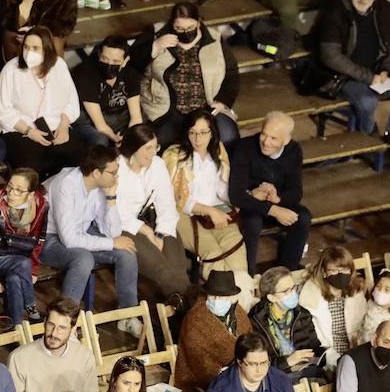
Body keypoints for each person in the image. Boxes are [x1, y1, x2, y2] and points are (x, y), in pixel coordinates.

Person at [311, 0, 390, 142]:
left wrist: (387, 69)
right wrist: (368, 78)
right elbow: (330, 55)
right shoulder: (336, 13)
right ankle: (367, 137)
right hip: (344, 76)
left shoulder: (385, 9)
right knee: (367, 102)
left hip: (377, 70)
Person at [41, 144, 139, 325]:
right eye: (112, 172)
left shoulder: (101, 185)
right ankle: (64, 322)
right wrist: (111, 243)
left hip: (79, 232)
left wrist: (111, 198)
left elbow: (113, 232)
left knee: (127, 252)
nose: (117, 176)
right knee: (83, 258)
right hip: (46, 238)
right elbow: (69, 240)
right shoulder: (66, 185)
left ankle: (128, 317)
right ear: (96, 173)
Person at [142, 2, 240, 147]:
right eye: (179, 28)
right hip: (168, 110)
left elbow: (231, 73)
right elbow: (136, 65)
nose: (185, 31)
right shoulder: (156, 34)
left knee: (228, 136)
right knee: (160, 141)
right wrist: (155, 46)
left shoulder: (215, 39)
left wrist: (222, 101)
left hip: (206, 107)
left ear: (199, 22)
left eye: (190, 27)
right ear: (171, 24)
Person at [163, 109, 247, 278]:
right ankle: (220, 300)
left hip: (217, 210)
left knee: (236, 247)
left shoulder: (218, 150)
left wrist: (247, 195)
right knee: (213, 253)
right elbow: (177, 200)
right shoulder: (173, 155)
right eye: (192, 133)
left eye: (203, 132)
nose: (198, 139)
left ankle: (242, 299)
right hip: (184, 215)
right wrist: (209, 211)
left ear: (212, 132)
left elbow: (223, 190)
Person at [0, 27, 83, 178]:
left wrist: (64, 126)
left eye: (35, 48)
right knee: (31, 165)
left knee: (77, 156)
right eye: (26, 47)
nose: (29, 52)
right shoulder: (11, 70)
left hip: (54, 125)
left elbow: (71, 101)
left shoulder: (59, 65)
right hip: (20, 129)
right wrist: (29, 131)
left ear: (46, 49)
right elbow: (2, 109)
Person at [115, 124, 190, 300]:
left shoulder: (157, 165)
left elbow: (167, 205)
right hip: (126, 227)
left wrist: (161, 234)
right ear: (133, 148)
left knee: (179, 269)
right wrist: (146, 231)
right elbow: (116, 213)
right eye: (148, 148)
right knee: (163, 273)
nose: (153, 152)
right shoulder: (116, 168)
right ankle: (189, 311)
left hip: (157, 223)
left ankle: (182, 311)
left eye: (155, 147)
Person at [229, 112, 310, 272]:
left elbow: (296, 191)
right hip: (250, 203)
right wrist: (272, 209)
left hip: (273, 203)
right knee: (252, 223)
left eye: (273, 138)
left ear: (286, 140)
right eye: (264, 134)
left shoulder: (294, 151)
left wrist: (278, 199)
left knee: (303, 217)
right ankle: (249, 275)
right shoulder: (245, 147)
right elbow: (236, 195)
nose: (266, 142)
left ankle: (286, 272)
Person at [8, 299, 96, 392]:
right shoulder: (18, 358)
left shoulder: (84, 356)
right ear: (44, 323)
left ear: (72, 330)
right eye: (51, 325)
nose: (54, 333)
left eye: (62, 328)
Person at [0, 167, 48, 325]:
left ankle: (15, 326)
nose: (11, 193)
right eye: (10, 186)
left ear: (31, 194)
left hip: (21, 257)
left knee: (14, 279)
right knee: (23, 264)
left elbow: (39, 238)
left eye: (19, 190)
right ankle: (32, 308)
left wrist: (32, 270)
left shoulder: (40, 205)